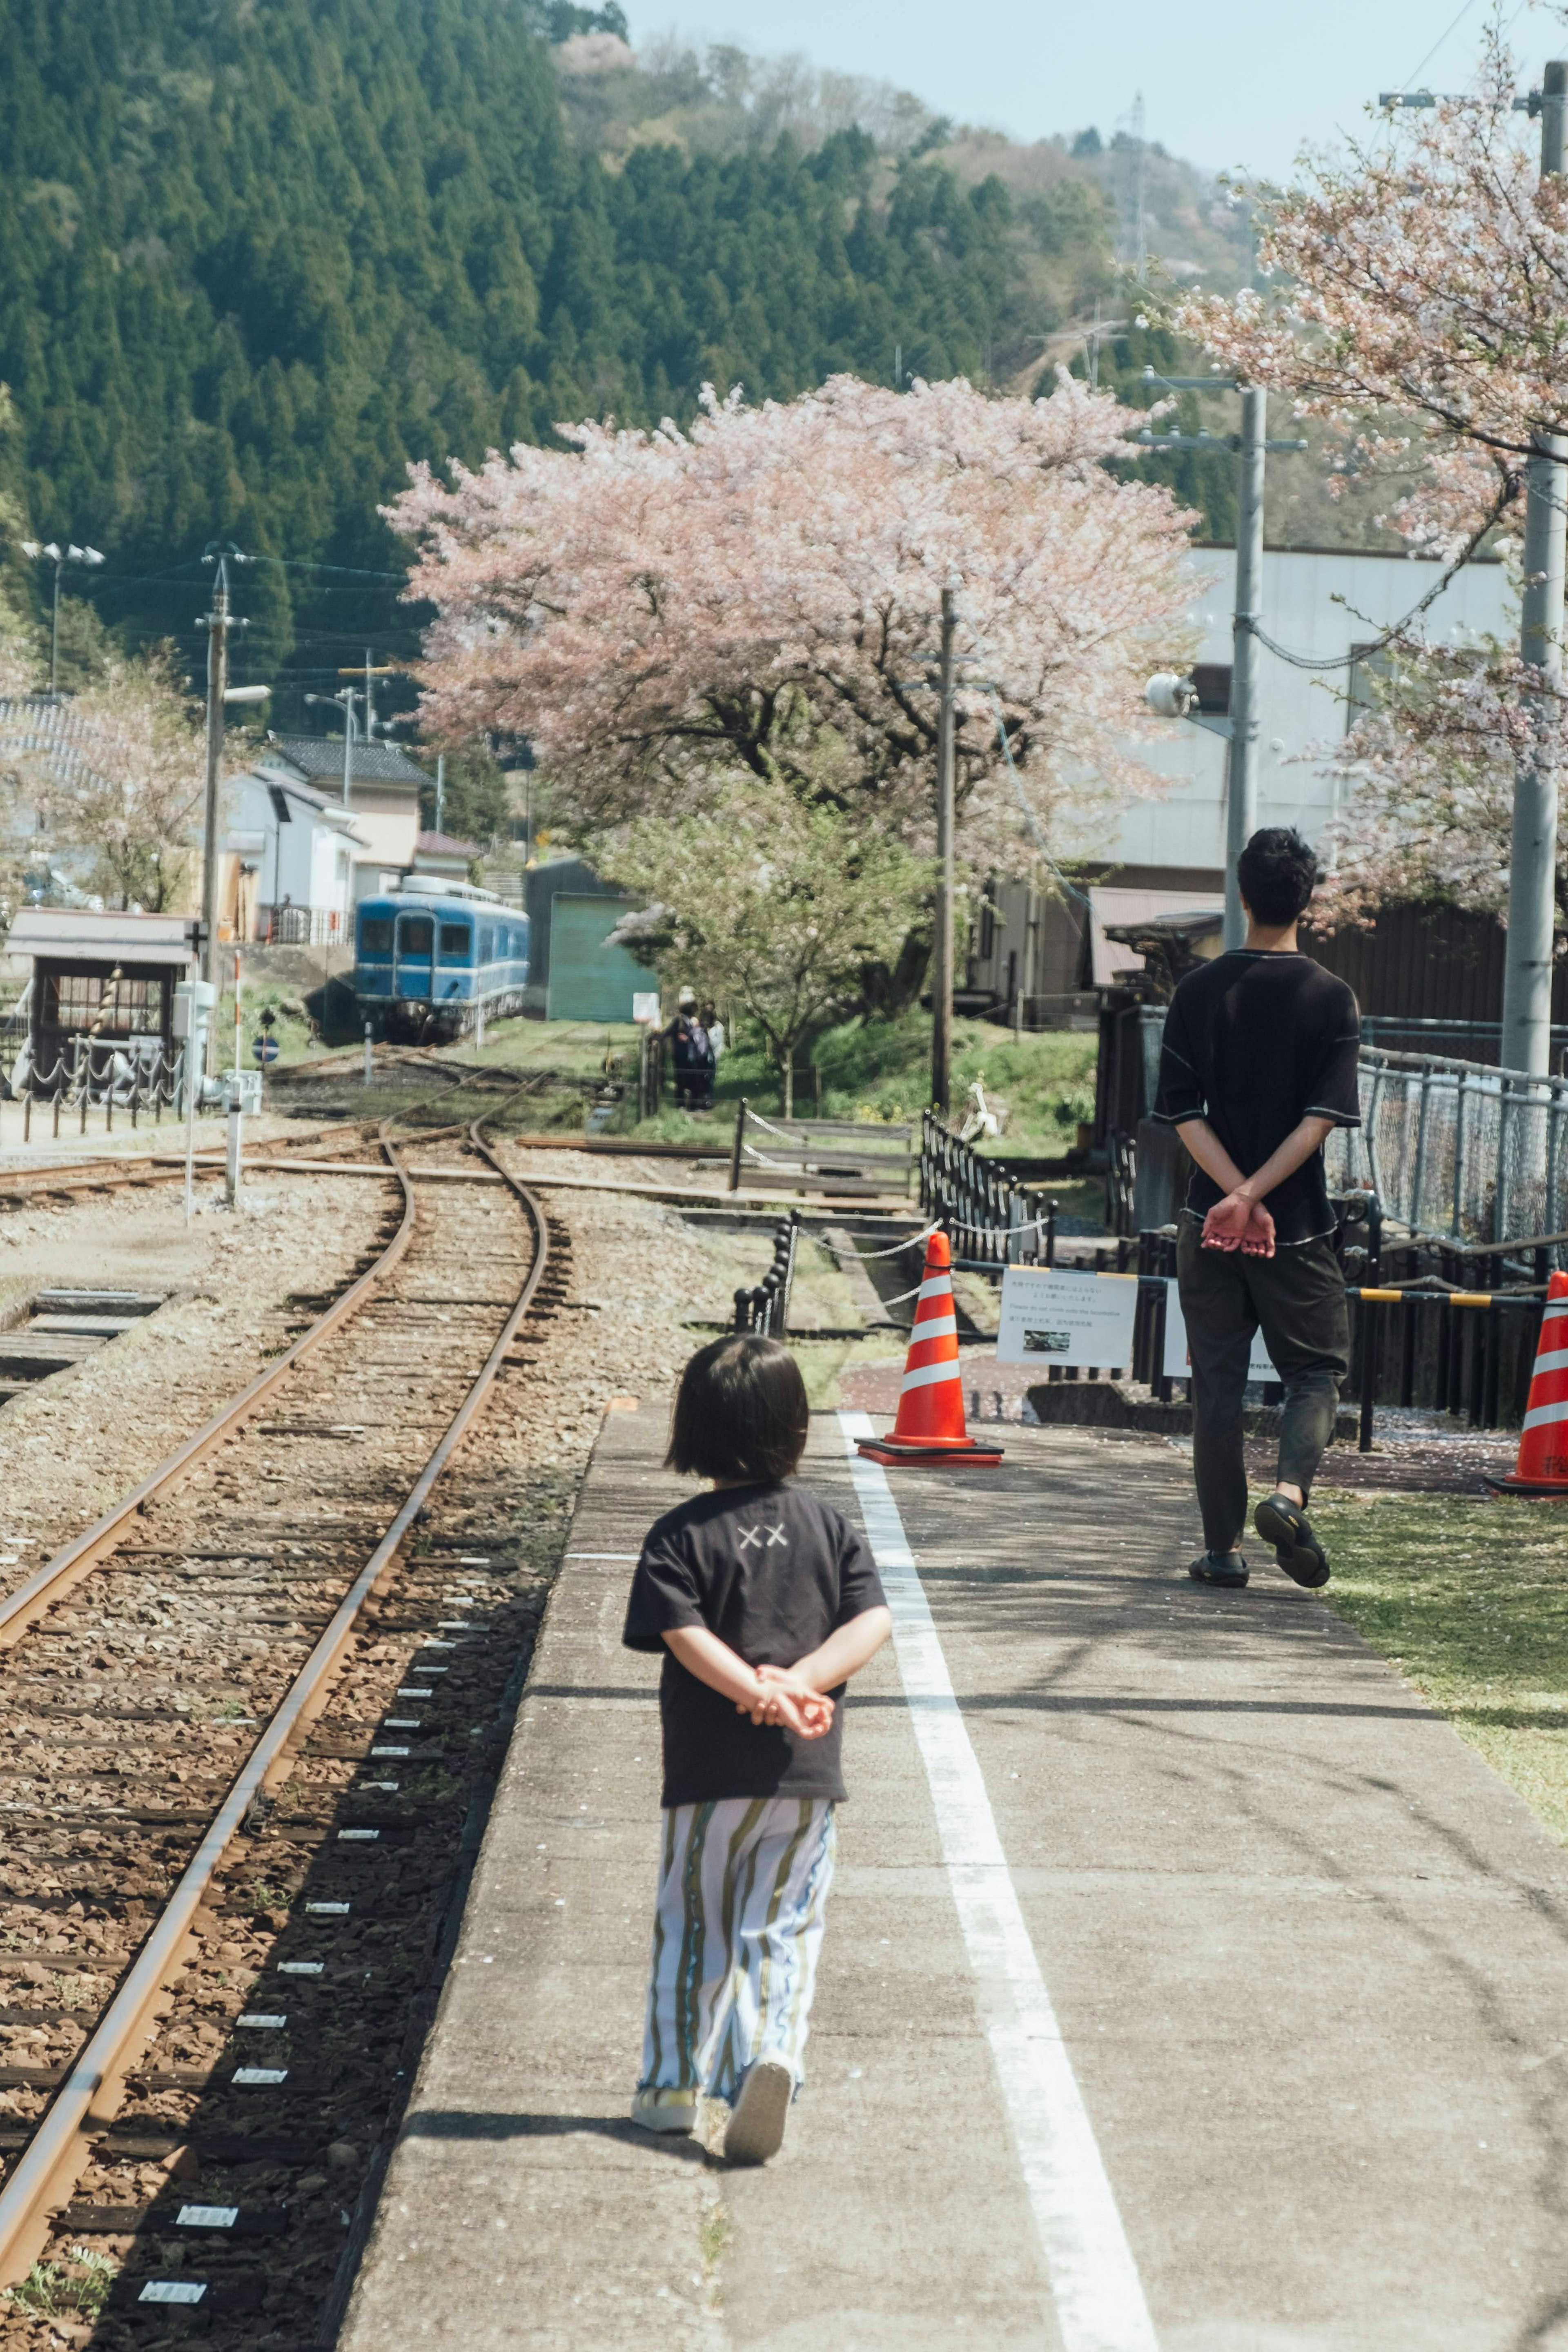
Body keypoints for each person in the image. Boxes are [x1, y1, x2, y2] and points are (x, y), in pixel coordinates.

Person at [622, 1334, 892, 2164]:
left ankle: (671, 2091)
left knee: (695, 1927)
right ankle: (769, 2054)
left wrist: (754, 1691)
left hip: (707, 1779)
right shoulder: (829, 1527)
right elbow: (873, 1621)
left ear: (691, 1429)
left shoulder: (677, 1537)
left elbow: (683, 1635)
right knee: (781, 1927)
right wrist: (803, 1682)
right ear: (797, 1428)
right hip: (805, 1777)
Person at [1152, 826, 1361, 1592]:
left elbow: (1181, 1112)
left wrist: (1230, 1197)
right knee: (1315, 1373)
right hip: (1298, 1227)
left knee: (1217, 1385)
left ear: (1243, 894)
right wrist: (1260, 1197)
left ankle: (1222, 1553)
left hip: (1207, 1225)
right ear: (1309, 897)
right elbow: (1318, 1122)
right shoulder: (1332, 999)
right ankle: (1289, 1495)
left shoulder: (1198, 992)